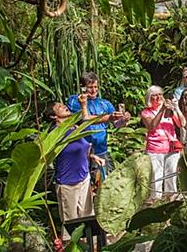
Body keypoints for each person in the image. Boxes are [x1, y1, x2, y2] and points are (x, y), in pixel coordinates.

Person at [43, 101, 105, 242]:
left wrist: (92, 156)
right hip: (67, 183)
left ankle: (91, 246)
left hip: (84, 179)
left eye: (63, 104)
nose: (64, 106)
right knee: (71, 222)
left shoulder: (75, 128)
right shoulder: (54, 134)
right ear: (53, 116)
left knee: (87, 216)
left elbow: (80, 149)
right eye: (59, 107)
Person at [67, 72, 130, 176]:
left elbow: (116, 124)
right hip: (82, 152)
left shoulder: (104, 103)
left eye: (96, 87)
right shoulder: (75, 101)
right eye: (90, 87)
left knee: (101, 182)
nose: (94, 90)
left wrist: (124, 120)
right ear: (82, 87)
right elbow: (85, 118)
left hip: (101, 151)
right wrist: (109, 117)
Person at [141, 85, 186, 200]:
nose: (158, 97)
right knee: (156, 176)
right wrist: (162, 110)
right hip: (155, 149)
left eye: (160, 94)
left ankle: (171, 199)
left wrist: (176, 108)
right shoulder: (146, 112)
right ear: (149, 98)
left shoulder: (169, 109)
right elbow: (151, 127)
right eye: (155, 95)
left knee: (171, 174)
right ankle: (155, 198)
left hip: (171, 148)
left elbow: (182, 124)